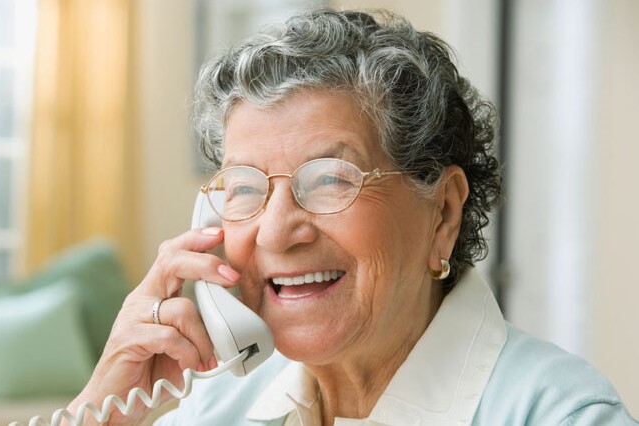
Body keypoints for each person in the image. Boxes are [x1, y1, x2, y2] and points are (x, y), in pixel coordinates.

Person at [68, 9, 637, 425]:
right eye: (244, 188)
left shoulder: (561, 414)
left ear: (442, 214)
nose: (275, 232)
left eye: (330, 181)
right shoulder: (218, 405)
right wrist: (100, 408)